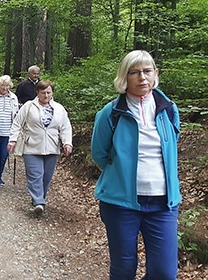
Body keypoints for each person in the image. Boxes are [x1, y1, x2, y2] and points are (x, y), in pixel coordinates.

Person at [91, 50, 181, 280]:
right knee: (123, 269)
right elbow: (99, 154)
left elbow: (171, 147)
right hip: (121, 204)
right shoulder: (111, 113)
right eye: (134, 72)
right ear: (124, 77)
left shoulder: (168, 109)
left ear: (155, 74)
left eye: (147, 71)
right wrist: (122, 175)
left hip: (163, 203)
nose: (142, 77)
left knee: (164, 273)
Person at [7, 80, 72, 215]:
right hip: (31, 146)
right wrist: (12, 140)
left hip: (52, 147)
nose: (46, 96)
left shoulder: (59, 109)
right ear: (37, 92)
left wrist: (67, 143)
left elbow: (65, 127)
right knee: (35, 174)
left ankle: (38, 197)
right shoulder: (29, 106)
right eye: (43, 93)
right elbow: (17, 123)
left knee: (46, 176)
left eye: (49, 92)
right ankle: (39, 202)